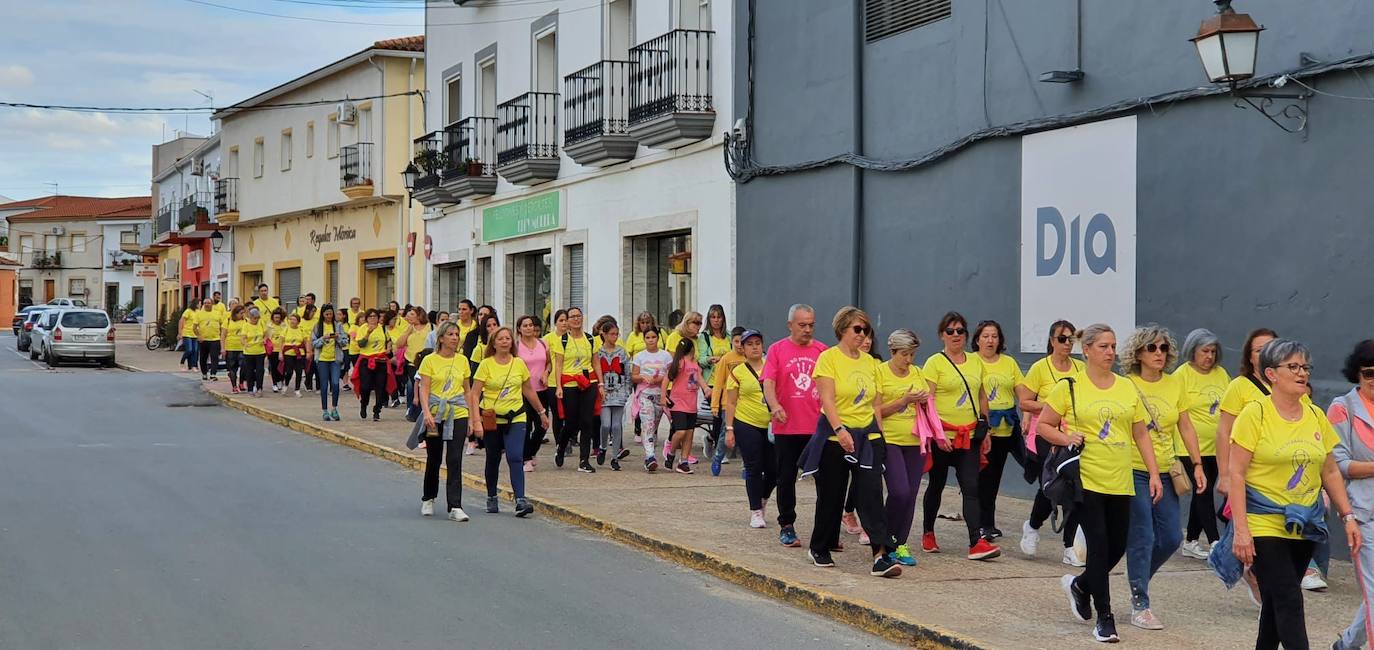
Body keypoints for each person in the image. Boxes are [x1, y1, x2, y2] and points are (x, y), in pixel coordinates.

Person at [1228, 339, 1361, 650]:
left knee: (1276, 602)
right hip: (1264, 521)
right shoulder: (1254, 414)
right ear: (1272, 374)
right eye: (1294, 367)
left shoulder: (1314, 415)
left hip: (1305, 522)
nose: (1302, 373)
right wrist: (1242, 531)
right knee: (1289, 597)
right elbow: (1236, 473)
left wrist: (1348, 516)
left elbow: (1329, 470)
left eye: (1305, 367)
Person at [1040, 323, 1162, 644]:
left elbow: (1140, 433)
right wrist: (1067, 436)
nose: (1110, 352)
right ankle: (1104, 617)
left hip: (1121, 479)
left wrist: (1153, 473)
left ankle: (1080, 585)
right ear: (1088, 350)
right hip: (1088, 478)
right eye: (1104, 346)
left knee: (1117, 545)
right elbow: (1044, 425)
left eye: (1113, 346)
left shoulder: (1126, 387)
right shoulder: (1070, 385)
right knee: (1099, 545)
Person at [801, 306, 902, 578]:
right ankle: (819, 546)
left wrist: (880, 439)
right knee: (831, 497)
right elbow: (827, 399)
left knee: (870, 495)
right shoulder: (829, 359)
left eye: (866, 330)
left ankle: (881, 556)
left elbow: (875, 405)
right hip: (835, 437)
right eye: (857, 329)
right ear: (842, 329)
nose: (863, 335)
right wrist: (840, 429)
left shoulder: (871, 364)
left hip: (866, 438)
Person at [1121, 325, 1208, 631]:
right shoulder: (1126, 385)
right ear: (1138, 354)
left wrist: (1197, 464)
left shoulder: (1174, 385)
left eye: (1163, 348)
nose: (1159, 353)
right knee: (1142, 536)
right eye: (1151, 348)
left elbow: (1185, 426)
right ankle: (1140, 604)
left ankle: (1138, 577)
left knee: (1171, 537)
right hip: (1133, 470)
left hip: (1168, 470)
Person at [921, 312, 1000, 561]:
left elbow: (982, 396)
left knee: (971, 487)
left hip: (969, 436)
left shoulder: (976, 362)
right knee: (937, 484)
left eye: (960, 331)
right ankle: (928, 532)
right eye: (951, 331)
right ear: (941, 335)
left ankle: (976, 542)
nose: (956, 335)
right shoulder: (935, 363)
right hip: (943, 436)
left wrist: (985, 429)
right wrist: (937, 433)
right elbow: (928, 401)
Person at [1016, 319, 1087, 565]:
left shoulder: (1080, 368)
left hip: (1074, 435)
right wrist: (1051, 406)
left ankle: (1069, 547)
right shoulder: (1040, 368)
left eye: (1071, 339)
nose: (1067, 344)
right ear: (1051, 341)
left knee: (1076, 488)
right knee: (1052, 487)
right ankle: (1033, 526)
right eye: (1062, 339)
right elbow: (1025, 401)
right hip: (1046, 433)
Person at [762, 304, 828, 548]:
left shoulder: (823, 351)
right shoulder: (777, 349)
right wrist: (775, 405)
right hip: (787, 426)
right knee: (786, 477)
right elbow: (768, 382)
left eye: (811, 324)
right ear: (790, 325)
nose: (807, 329)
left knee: (825, 480)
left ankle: (826, 530)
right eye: (802, 325)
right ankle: (787, 525)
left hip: (817, 428)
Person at [471, 326, 550, 518]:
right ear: (494, 343)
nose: (505, 341)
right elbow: (474, 394)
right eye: (501, 339)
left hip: (516, 417)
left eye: (508, 338)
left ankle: (520, 499)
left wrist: (541, 412)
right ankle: (491, 496)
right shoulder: (486, 365)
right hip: (492, 419)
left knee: (515, 456)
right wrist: (475, 421)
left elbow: (528, 390)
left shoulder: (518, 364)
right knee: (493, 457)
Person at [1329, 339, 1374, 650]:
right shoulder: (1341, 408)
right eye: (1370, 372)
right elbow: (1339, 464)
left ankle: (1347, 644)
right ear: (1356, 374)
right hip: (1363, 513)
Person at [876, 328, 932, 567]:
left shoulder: (917, 372)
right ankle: (883, 538)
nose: (909, 360)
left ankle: (900, 543)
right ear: (893, 351)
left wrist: (923, 400)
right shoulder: (879, 372)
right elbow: (876, 410)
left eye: (912, 355)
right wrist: (903, 401)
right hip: (890, 439)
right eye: (904, 355)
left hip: (915, 440)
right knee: (898, 491)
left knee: (910, 494)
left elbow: (929, 406)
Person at [1174, 328, 1230, 560]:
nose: (1209, 356)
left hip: (1216, 445)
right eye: (1204, 351)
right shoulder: (1181, 375)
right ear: (1192, 351)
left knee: (1202, 494)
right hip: (1190, 446)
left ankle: (1191, 541)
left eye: (1213, 352)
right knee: (1203, 491)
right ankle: (1215, 541)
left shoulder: (1221, 374)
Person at [412, 321, 473, 522]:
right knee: (434, 458)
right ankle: (428, 497)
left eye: (457, 334)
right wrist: (427, 412)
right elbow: (424, 388)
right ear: (441, 338)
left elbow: (467, 390)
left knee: (455, 458)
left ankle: (455, 505)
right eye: (451, 334)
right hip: (436, 412)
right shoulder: (429, 360)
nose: (455, 338)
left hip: (458, 412)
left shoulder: (463, 360)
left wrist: (473, 417)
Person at [972, 320, 1023, 541]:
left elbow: (1022, 392)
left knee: (1031, 464)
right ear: (977, 340)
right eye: (985, 336)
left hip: (1008, 427)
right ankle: (985, 525)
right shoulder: (971, 362)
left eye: (994, 336)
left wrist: (1030, 411)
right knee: (987, 479)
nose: (990, 340)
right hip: (985, 429)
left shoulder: (1009, 363)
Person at [723, 329, 775, 528]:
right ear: (742, 348)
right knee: (754, 467)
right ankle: (755, 512)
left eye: (757, 343)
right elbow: (732, 403)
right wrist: (729, 429)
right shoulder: (738, 372)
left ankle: (762, 499)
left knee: (775, 470)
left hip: (771, 424)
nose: (754, 347)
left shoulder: (772, 367)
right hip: (747, 423)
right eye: (749, 344)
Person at [554, 307, 599, 472]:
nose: (576, 319)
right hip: (569, 383)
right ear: (567, 320)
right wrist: (558, 386)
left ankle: (584, 460)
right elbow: (558, 364)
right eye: (572, 317)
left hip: (588, 382)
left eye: (578, 316)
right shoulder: (563, 340)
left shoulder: (590, 339)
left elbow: (596, 362)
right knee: (571, 422)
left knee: (587, 421)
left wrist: (600, 384)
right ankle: (561, 447)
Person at [664, 311, 704, 465]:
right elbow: (673, 362)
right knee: (677, 423)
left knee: (686, 425)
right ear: (687, 323)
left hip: (690, 387)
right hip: (673, 385)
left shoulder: (696, 340)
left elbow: (695, 363)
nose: (698, 326)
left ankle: (684, 456)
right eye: (695, 323)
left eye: (700, 323)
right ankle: (670, 448)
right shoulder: (675, 337)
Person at [709, 327, 748, 475]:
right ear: (732, 342)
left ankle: (746, 466)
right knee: (726, 433)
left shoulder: (749, 358)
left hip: (746, 403)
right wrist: (715, 404)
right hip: (727, 403)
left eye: (741, 341)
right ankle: (718, 457)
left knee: (745, 435)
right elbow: (718, 383)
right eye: (736, 341)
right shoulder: (726, 359)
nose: (739, 345)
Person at [631, 328, 671, 471]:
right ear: (644, 339)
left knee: (654, 427)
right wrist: (643, 377)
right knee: (647, 425)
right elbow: (633, 376)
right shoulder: (639, 356)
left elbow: (671, 374)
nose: (651, 340)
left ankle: (650, 454)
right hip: (645, 394)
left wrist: (661, 379)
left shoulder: (666, 356)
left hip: (659, 395)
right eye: (648, 337)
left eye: (653, 337)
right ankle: (650, 456)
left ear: (658, 338)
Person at [516, 315, 551, 472]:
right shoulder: (516, 346)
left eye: (531, 325)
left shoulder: (542, 344)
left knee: (542, 425)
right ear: (519, 329)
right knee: (526, 425)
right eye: (525, 325)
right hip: (523, 392)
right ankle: (526, 458)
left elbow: (548, 362)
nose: (529, 328)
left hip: (541, 390)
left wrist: (546, 372)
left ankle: (530, 451)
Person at [595, 321, 632, 470]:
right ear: (603, 334)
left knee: (617, 425)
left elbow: (627, 372)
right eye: (612, 334)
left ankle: (615, 457)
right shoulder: (598, 352)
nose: (615, 337)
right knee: (606, 424)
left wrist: (627, 389)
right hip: (604, 394)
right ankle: (603, 446)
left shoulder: (622, 352)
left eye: (617, 334)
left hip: (619, 391)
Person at [626, 311, 666, 445]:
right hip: (641, 376)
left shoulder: (662, 333)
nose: (644, 324)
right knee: (641, 403)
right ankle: (638, 429)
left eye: (647, 322)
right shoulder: (633, 335)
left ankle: (653, 431)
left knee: (658, 408)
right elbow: (628, 354)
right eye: (642, 322)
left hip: (659, 376)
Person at [352, 309, 392, 421]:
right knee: (365, 386)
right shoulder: (362, 328)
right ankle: (364, 404)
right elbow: (361, 344)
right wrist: (368, 333)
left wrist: (388, 347)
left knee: (381, 387)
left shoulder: (382, 328)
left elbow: (388, 340)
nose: (373, 318)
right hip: (366, 359)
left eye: (375, 316)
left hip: (381, 360)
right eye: (370, 316)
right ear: (367, 318)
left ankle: (377, 411)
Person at [313, 304, 350, 422]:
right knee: (324, 385)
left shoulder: (338, 326)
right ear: (322, 315)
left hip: (335, 359)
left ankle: (334, 408)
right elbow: (313, 343)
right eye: (326, 314)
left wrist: (338, 338)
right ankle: (324, 410)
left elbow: (345, 342)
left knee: (335, 383)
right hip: (322, 359)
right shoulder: (318, 326)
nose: (329, 316)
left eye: (331, 314)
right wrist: (323, 339)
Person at [543, 309, 569, 454]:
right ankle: (560, 442)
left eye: (566, 320)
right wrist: (545, 374)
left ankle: (568, 438)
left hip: (570, 380)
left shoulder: (572, 338)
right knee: (558, 414)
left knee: (570, 413)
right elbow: (544, 361)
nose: (564, 323)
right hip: (553, 381)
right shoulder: (547, 339)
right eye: (561, 320)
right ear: (555, 323)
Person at [402, 307, 432, 422]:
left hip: (427, 360)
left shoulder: (430, 327)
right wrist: (408, 331)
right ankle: (412, 409)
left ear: (419, 315)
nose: (409, 317)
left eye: (412, 314)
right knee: (412, 385)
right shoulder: (408, 328)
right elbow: (400, 343)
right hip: (412, 361)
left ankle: (423, 409)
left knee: (424, 386)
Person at [240, 307, 267, 397]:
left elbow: (266, 334)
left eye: (257, 318)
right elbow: (243, 338)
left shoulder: (261, 323)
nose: (256, 320)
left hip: (260, 351)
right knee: (249, 370)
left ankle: (259, 388)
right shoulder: (246, 325)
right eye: (254, 318)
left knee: (260, 370)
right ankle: (250, 388)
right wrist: (245, 343)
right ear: (250, 317)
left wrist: (264, 339)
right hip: (249, 352)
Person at [195, 298, 224, 381]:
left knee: (214, 357)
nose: (207, 304)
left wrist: (221, 335)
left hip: (215, 339)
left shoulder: (217, 314)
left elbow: (222, 325)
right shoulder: (199, 314)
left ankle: (213, 374)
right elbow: (194, 327)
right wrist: (198, 336)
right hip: (203, 340)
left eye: (208, 303)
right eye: (205, 303)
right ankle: (204, 373)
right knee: (203, 358)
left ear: (212, 304)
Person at [280, 313, 308, 397]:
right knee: (289, 371)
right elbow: (281, 342)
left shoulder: (302, 330)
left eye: (294, 319)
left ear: (298, 322)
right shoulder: (286, 329)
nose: (292, 321)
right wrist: (280, 353)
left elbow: (306, 342)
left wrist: (309, 352)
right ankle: (286, 384)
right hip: (288, 353)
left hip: (299, 353)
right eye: (291, 319)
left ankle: (297, 389)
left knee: (299, 372)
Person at [222, 305, 246, 393]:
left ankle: (241, 382)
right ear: (235, 314)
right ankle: (234, 386)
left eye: (244, 313)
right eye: (241, 313)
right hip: (231, 347)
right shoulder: (228, 321)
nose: (243, 315)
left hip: (242, 347)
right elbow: (223, 335)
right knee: (232, 367)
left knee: (244, 365)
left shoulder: (246, 321)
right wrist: (223, 348)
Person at [266, 309, 288, 393]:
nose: (277, 319)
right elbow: (267, 337)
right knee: (273, 367)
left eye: (278, 317)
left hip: (282, 349)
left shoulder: (284, 326)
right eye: (275, 317)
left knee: (282, 367)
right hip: (273, 350)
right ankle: (274, 383)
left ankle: (280, 381)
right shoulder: (269, 326)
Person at [299, 303, 319, 393]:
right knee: (308, 366)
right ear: (307, 311)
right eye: (312, 312)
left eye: (315, 312)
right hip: (304, 346)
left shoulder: (316, 321)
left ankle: (319, 386)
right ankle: (308, 383)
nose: (313, 314)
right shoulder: (301, 321)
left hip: (314, 345)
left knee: (317, 366)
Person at [178, 301, 199, 372]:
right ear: (195, 304)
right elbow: (181, 321)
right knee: (189, 350)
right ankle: (182, 363)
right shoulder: (188, 311)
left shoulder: (198, 312)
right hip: (187, 333)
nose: (200, 305)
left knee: (195, 351)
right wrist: (180, 332)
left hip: (195, 334)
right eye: (199, 303)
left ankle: (193, 366)